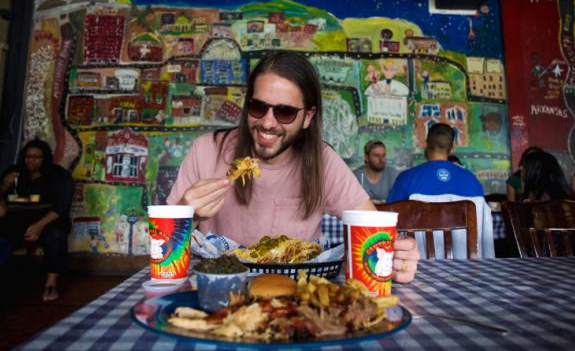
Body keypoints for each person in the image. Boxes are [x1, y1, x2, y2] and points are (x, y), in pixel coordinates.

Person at [167, 51, 419, 283]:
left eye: (285, 112)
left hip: (295, 298)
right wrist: (185, 215)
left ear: (308, 117)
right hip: (217, 290)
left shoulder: (323, 161)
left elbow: (372, 230)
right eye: (257, 107)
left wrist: (396, 257)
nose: (267, 123)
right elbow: (164, 250)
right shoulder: (206, 150)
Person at [387, 123, 495, 258]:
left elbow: (388, 221)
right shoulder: (472, 181)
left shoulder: (406, 179)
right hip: (466, 267)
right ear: (453, 148)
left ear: (426, 144)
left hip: (418, 267)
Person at [0, 138, 73, 301]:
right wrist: (5, 185)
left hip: (48, 221)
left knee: (56, 235)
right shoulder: (15, 172)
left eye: (36, 157)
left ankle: (51, 284)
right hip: (17, 220)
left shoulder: (57, 175)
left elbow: (62, 205)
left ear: (45, 158)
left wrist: (39, 225)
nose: (30, 160)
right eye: (27, 156)